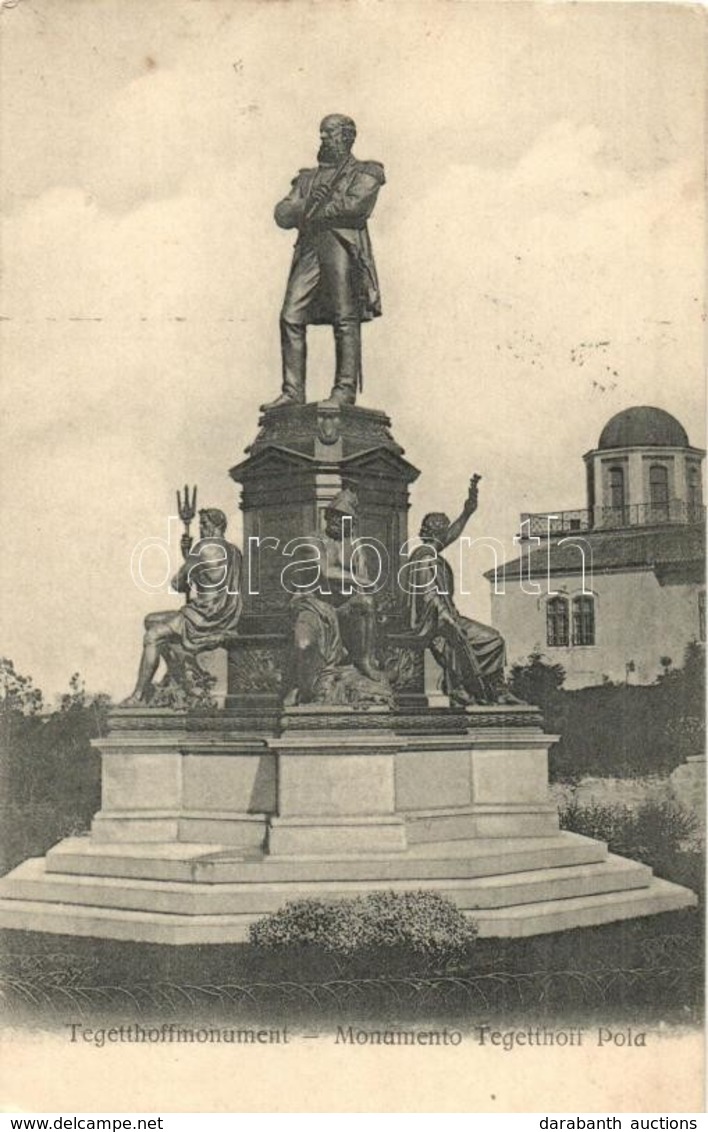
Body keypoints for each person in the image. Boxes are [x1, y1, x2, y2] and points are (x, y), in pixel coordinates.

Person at [261, 114, 385, 412]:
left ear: (347, 136)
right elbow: (282, 213)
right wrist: (306, 204)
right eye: (322, 133)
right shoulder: (307, 179)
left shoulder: (367, 171)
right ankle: (292, 392)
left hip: (341, 246)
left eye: (330, 133)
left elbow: (356, 207)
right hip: (310, 249)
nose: (324, 138)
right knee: (291, 316)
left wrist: (312, 212)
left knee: (345, 317)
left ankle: (344, 391)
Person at [405, 479, 519, 706]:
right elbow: (429, 597)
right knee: (493, 639)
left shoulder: (428, 552)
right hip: (435, 620)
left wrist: (467, 513)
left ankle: (496, 688)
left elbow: (451, 536)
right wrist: (450, 622)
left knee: (492, 638)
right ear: (437, 533)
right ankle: (488, 689)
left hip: (446, 616)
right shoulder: (426, 557)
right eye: (444, 532)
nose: (448, 536)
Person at [123, 508, 243, 705]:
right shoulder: (235, 552)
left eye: (204, 524)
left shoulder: (202, 548)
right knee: (151, 619)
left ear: (217, 526)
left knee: (152, 635)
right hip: (226, 616)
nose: (201, 528)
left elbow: (178, 584)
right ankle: (178, 668)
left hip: (202, 616)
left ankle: (138, 695)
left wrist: (187, 556)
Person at [284, 487, 389, 705]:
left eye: (344, 518)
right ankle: (302, 688)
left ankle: (364, 662)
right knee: (304, 644)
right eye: (333, 515)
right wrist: (363, 581)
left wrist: (373, 602)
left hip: (340, 609)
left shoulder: (355, 545)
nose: (337, 521)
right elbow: (325, 571)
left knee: (365, 603)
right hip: (312, 605)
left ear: (351, 523)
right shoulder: (312, 540)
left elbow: (364, 585)